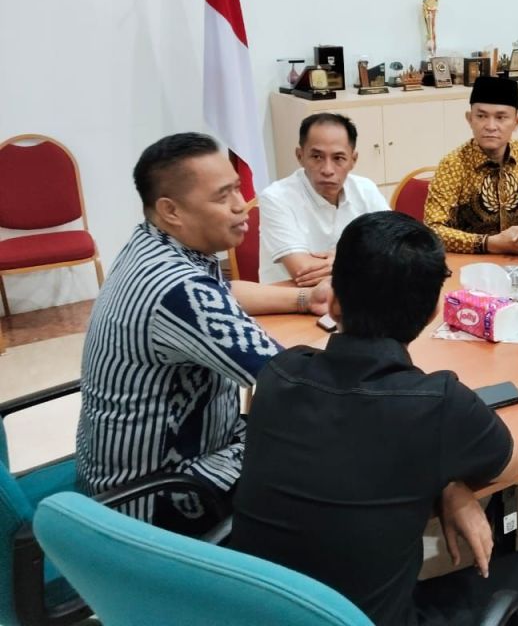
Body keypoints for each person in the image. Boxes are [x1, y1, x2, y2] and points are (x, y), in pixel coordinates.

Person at [231, 211, 518, 626]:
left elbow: (348, 449)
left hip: (249, 610)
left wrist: (442, 482)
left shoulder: (277, 373)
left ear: (333, 301)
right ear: (434, 311)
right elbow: (508, 465)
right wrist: (450, 482)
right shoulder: (439, 402)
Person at [77, 133, 331, 533]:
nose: (241, 205)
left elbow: (220, 292)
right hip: (157, 496)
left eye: (238, 188)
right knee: (330, 444)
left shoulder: (151, 246)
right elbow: (293, 379)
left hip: (129, 468)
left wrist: (304, 299)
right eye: (222, 196)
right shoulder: (178, 289)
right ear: (171, 210)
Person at [424, 76, 518, 254]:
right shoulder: (453, 164)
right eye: (481, 116)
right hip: (469, 261)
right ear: (469, 119)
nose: (490, 126)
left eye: (501, 117)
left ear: (517, 122)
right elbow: (432, 229)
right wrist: (490, 243)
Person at [258, 112, 389, 285]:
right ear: (300, 156)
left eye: (338, 158)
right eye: (317, 157)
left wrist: (340, 261)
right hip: (294, 297)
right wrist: (363, 259)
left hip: (357, 293)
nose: (327, 169)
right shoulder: (276, 198)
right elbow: (303, 271)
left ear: (353, 160)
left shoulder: (366, 189)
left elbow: (395, 249)